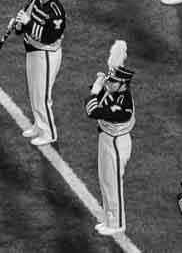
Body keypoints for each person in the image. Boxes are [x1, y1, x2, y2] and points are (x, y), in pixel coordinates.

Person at [9, 0, 66, 145]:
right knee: (34, 91)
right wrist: (17, 25)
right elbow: (26, 19)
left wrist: (27, 24)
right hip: (33, 51)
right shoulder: (37, 0)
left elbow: (50, 36)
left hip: (46, 54)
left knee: (42, 95)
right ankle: (38, 125)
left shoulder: (56, 10)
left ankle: (49, 132)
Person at [83, 44, 133, 233]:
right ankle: (109, 219)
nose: (109, 83)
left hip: (117, 143)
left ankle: (117, 224)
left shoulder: (124, 103)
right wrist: (97, 91)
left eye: (113, 81)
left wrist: (95, 92)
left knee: (113, 183)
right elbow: (90, 104)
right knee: (105, 180)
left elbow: (92, 110)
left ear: (123, 84)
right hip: (106, 139)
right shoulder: (113, 92)